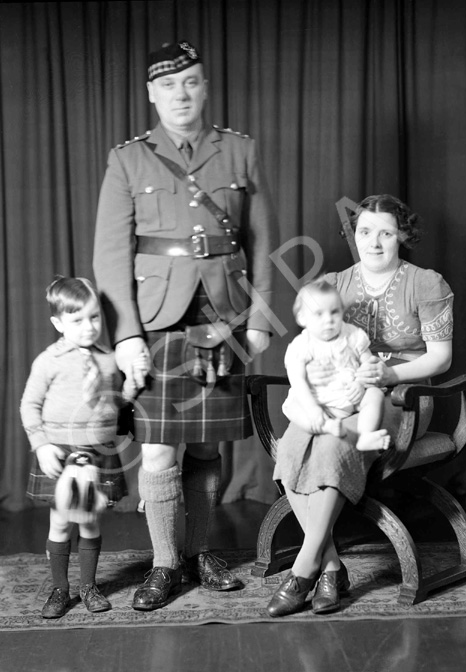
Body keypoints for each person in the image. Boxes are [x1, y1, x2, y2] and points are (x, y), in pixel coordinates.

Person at [93, 41, 277, 611]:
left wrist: (261, 317)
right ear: (152, 93)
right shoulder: (128, 160)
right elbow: (109, 254)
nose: (181, 94)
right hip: (156, 322)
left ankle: (198, 553)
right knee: (157, 452)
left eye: (191, 82)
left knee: (204, 449)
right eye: (169, 85)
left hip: (222, 318)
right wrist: (125, 335)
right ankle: (166, 564)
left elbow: (264, 240)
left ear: (205, 87)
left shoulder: (240, 151)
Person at [267, 194, 453, 618]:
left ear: (402, 235)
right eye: (365, 231)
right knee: (293, 443)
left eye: (386, 232)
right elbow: (310, 343)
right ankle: (332, 567)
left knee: (334, 447)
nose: (374, 242)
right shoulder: (335, 282)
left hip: (402, 396)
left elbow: (440, 358)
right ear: (353, 235)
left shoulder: (426, 282)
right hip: (334, 393)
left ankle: (302, 569)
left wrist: (388, 376)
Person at [20, 276, 145, 619]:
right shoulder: (48, 361)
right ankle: (61, 589)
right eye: (77, 321)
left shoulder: (109, 360)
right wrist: (41, 445)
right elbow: (29, 405)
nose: (88, 327)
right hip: (60, 452)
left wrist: (132, 386)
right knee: (60, 524)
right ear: (58, 323)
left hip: (99, 453)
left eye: (94, 318)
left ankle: (88, 586)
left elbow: (117, 404)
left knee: (90, 522)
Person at [284, 278, 390, 451]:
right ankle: (326, 426)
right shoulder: (302, 345)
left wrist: (360, 383)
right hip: (318, 400)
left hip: (349, 396)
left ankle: (366, 435)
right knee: (294, 406)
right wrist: (312, 409)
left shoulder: (352, 335)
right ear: (302, 318)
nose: (328, 320)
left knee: (375, 394)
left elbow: (369, 364)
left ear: (342, 312)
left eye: (334, 312)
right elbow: (298, 380)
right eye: (319, 314)